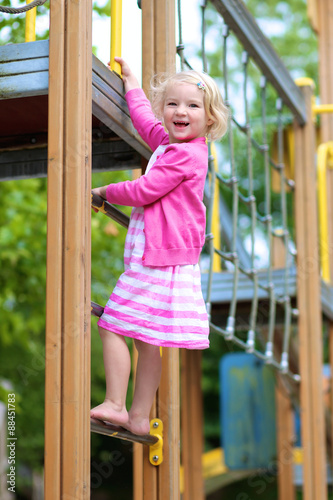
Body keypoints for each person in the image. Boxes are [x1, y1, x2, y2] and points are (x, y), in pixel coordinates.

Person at [90, 57, 229, 435]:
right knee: (149, 341)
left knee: (112, 325)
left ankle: (116, 404)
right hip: (165, 258)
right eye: (172, 104)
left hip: (155, 261)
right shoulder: (171, 146)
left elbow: (145, 190)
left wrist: (104, 191)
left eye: (192, 106)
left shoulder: (186, 155)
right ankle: (137, 417)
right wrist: (132, 83)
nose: (180, 111)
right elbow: (145, 123)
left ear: (210, 119)